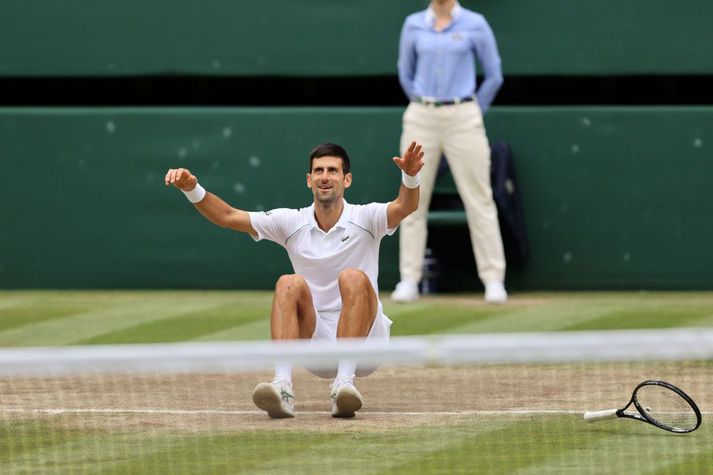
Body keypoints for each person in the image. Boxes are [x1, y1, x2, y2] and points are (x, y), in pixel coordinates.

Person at [165, 141, 424, 418]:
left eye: (333, 171)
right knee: (288, 282)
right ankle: (283, 387)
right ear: (309, 180)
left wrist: (410, 176)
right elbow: (228, 216)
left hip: (368, 346)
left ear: (346, 179)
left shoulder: (367, 217)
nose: (325, 177)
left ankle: (344, 385)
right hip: (317, 346)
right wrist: (192, 188)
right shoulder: (291, 222)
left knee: (353, 278)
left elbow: (406, 205)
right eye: (319, 171)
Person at [392, 0, 508, 304]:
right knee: (411, 196)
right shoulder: (413, 24)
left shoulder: (475, 23)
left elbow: (494, 74)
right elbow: (404, 72)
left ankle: (493, 278)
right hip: (421, 115)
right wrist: (422, 103)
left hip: (464, 116)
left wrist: (472, 111)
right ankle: (409, 278)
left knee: (479, 198)